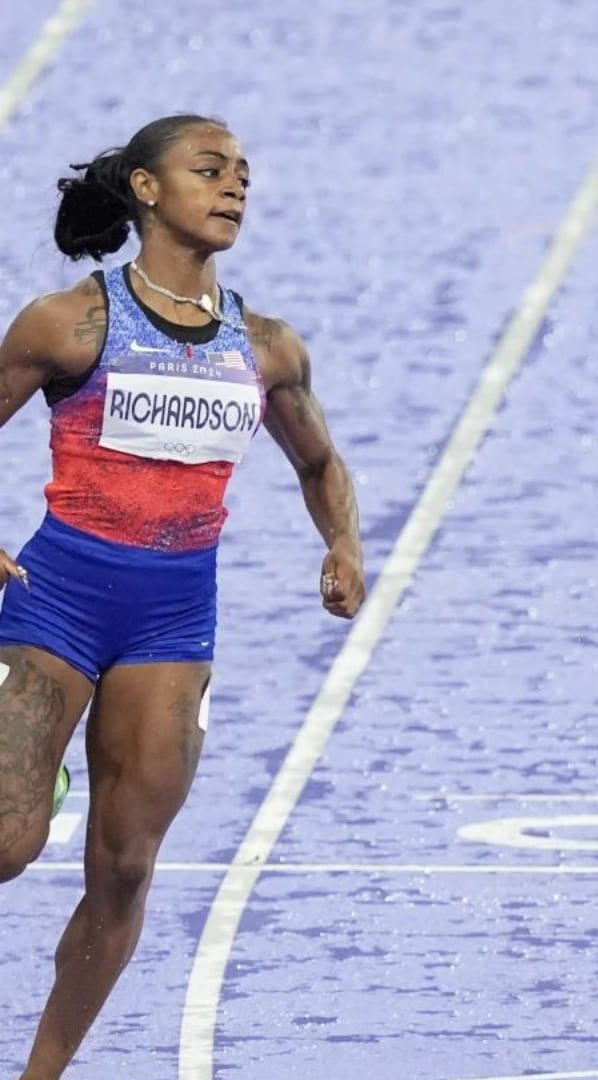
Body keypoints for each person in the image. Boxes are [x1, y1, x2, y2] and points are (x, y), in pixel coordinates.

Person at [0, 114, 365, 1079]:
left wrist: (343, 544)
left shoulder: (266, 347)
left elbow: (321, 462)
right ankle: (40, 774)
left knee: (124, 870)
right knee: (6, 840)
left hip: (171, 622)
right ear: (148, 191)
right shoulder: (68, 323)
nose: (235, 186)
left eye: (244, 172)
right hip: (55, 601)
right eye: (210, 171)